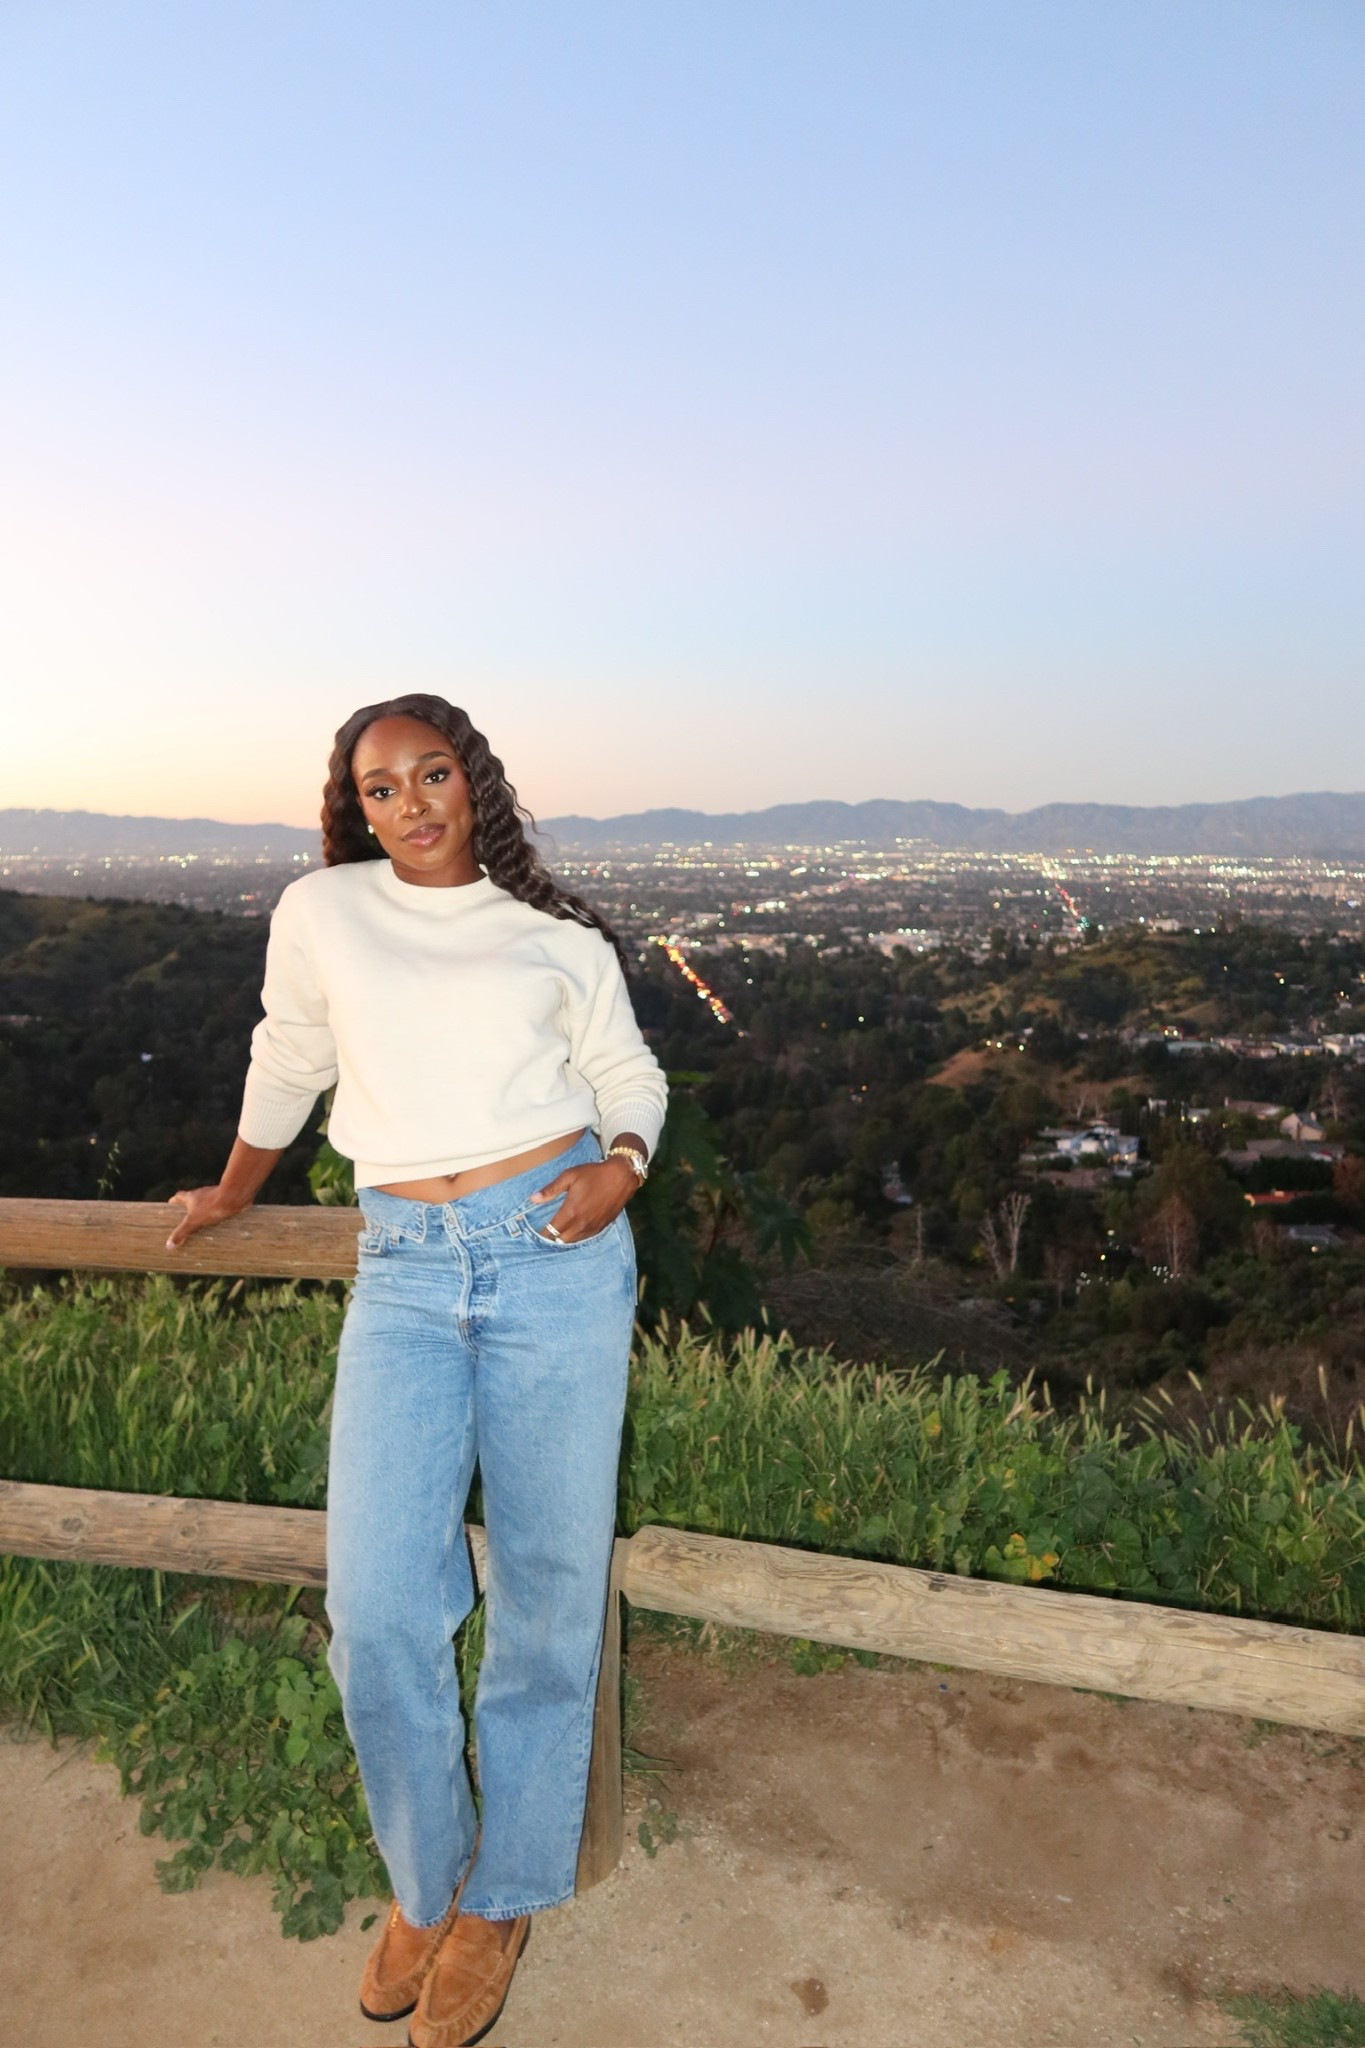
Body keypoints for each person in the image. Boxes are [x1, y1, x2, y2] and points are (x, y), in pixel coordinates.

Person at [167, 694, 667, 2047]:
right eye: (378, 788)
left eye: (429, 774)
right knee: (378, 1600)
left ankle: (498, 1900)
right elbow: (291, 1057)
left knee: (549, 1599)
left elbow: (628, 1072)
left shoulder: (553, 940)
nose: (407, 804)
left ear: (474, 781)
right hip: (401, 1266)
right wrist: (229, 1190)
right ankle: (424, 1876)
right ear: (355, 808)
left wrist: (621, 1166)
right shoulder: (322, 912)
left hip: (557, 1252)